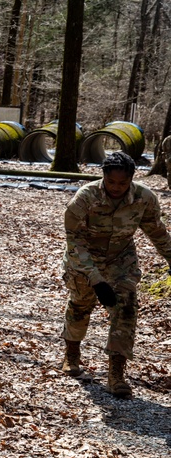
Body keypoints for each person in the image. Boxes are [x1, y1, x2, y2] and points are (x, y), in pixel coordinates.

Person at [60, 151, 171, 398]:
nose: (117, 188)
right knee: (80, 305)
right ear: (103, 177)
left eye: (123, 183)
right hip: (84, 258)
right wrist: (95, 278)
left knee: (126, 307)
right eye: (112, 182)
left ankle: (116, 374)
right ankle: (72, 355)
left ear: (132, 178)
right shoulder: (85, 198)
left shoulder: (144, 198)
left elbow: (157, 233)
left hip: (122, 260)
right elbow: (74, 240)